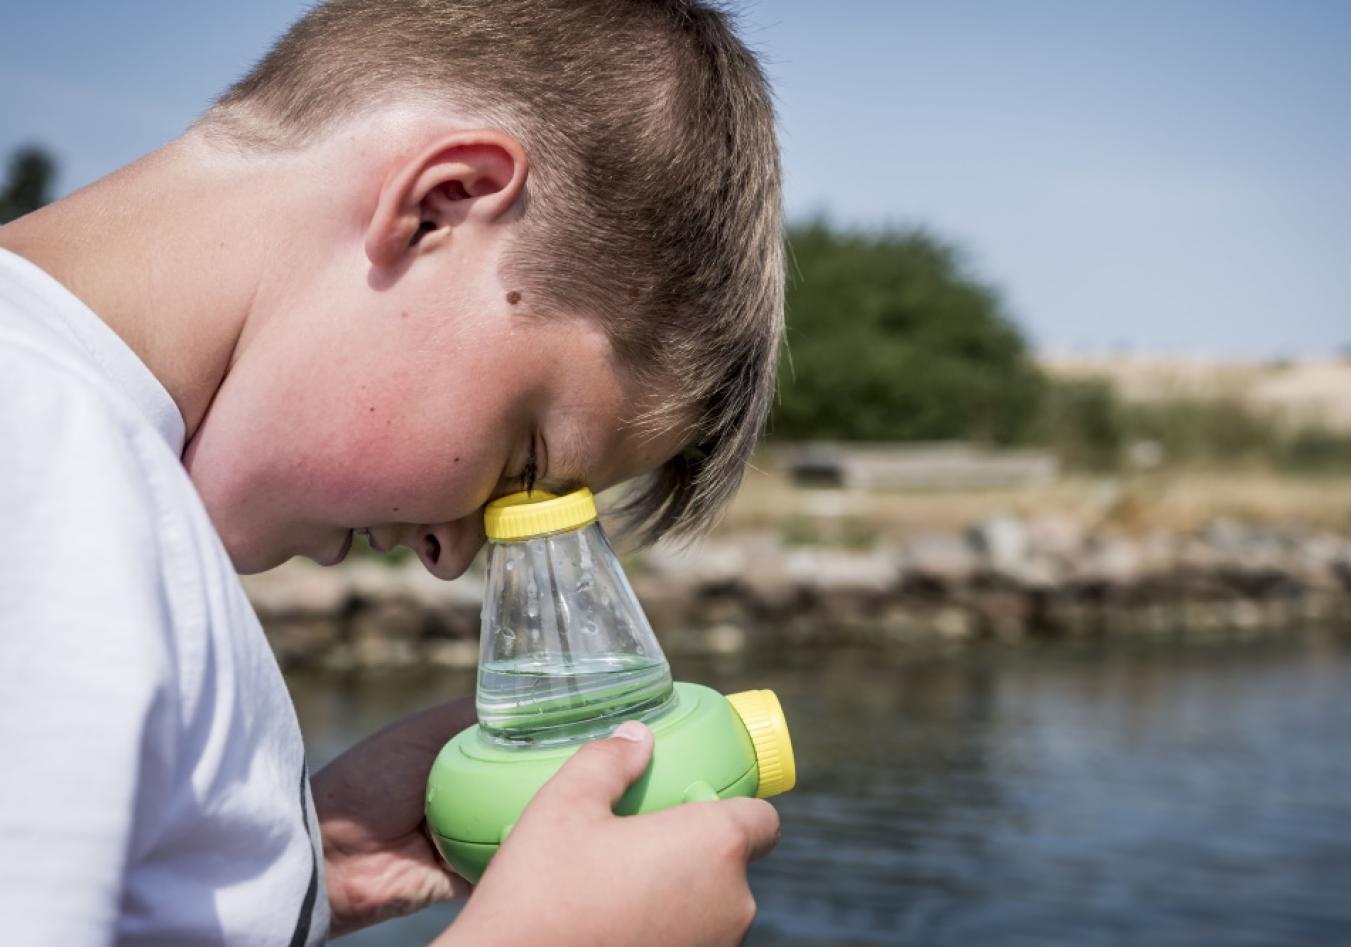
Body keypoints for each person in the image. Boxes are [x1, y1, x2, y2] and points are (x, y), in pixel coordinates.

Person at [0, 1, 784, 943]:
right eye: (520, 460)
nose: (451, 556)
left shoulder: (70, 451)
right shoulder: (45, 457)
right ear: (439, 206)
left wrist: (286, 867)